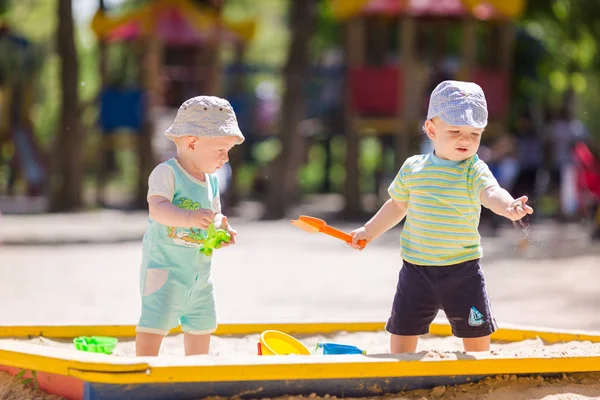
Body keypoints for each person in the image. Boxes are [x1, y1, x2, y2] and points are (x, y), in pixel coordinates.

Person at [349, 81, 533, 353]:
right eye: (456, 131)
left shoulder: (474, 169)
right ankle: (402, 370)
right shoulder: (413, 168)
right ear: (432, 130)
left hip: (463, 270)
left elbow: (491, 192)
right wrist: (369, 231)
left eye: (474, 133)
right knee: (402, 329)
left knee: (476, 334)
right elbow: (397, 206)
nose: (465, 140)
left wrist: (508, 206)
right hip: (416, 269)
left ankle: (478, 372)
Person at [135, 96, 244, 356]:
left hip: (199, 272)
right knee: (155, 321)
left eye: (228, 151)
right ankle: (143, 366)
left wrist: (221, 229)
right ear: (192, 143)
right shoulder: (167, 173)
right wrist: (188, 218)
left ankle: (197, 366)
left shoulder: (212, 181)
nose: (226, 158)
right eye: (221, 150)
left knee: (202, 322)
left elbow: (214, 215)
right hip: (165, 269)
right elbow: (157, 208)